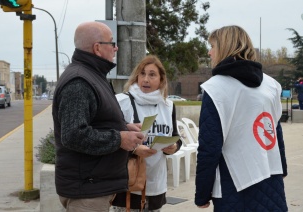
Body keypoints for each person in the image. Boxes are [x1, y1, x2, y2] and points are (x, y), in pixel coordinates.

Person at [52, 21, 145, 212]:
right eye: (112, 43)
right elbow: (73, 135)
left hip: (92, 185)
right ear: (97, 48)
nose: (116, 48)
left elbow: (96, 120)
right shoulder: (79, 81)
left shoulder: (92, 75)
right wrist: (119, 139)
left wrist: (123, 127)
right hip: (86, 190)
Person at [194, 25, 288, 211]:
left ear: (225, 48)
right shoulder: (271, 85)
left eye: (212, 46)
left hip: (234, 182)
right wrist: (282, 168)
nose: (209, 52)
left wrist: (202, 194)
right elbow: (275, 130)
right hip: (271, 176)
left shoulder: (215, 89)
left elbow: (209, 147)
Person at [112, 55, 182, 212]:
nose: (145, 79)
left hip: (156, 183)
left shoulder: (168, 105)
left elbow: (176, 137)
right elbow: (110, 137)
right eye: (142, 73)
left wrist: (173, 147)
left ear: (161, 79)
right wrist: (135, 150)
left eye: (152, 74)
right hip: (128, 184)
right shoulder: (121, 102)